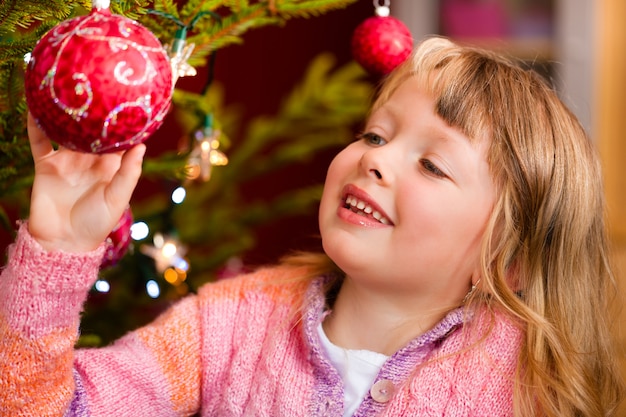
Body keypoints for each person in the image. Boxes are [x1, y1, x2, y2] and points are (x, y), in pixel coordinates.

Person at [0, 36, 623, 417]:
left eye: (432, 164)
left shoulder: (528, 388)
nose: (374, 158)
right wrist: (57, 251)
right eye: (375, 134)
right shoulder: (229, 323)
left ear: (510, 255)